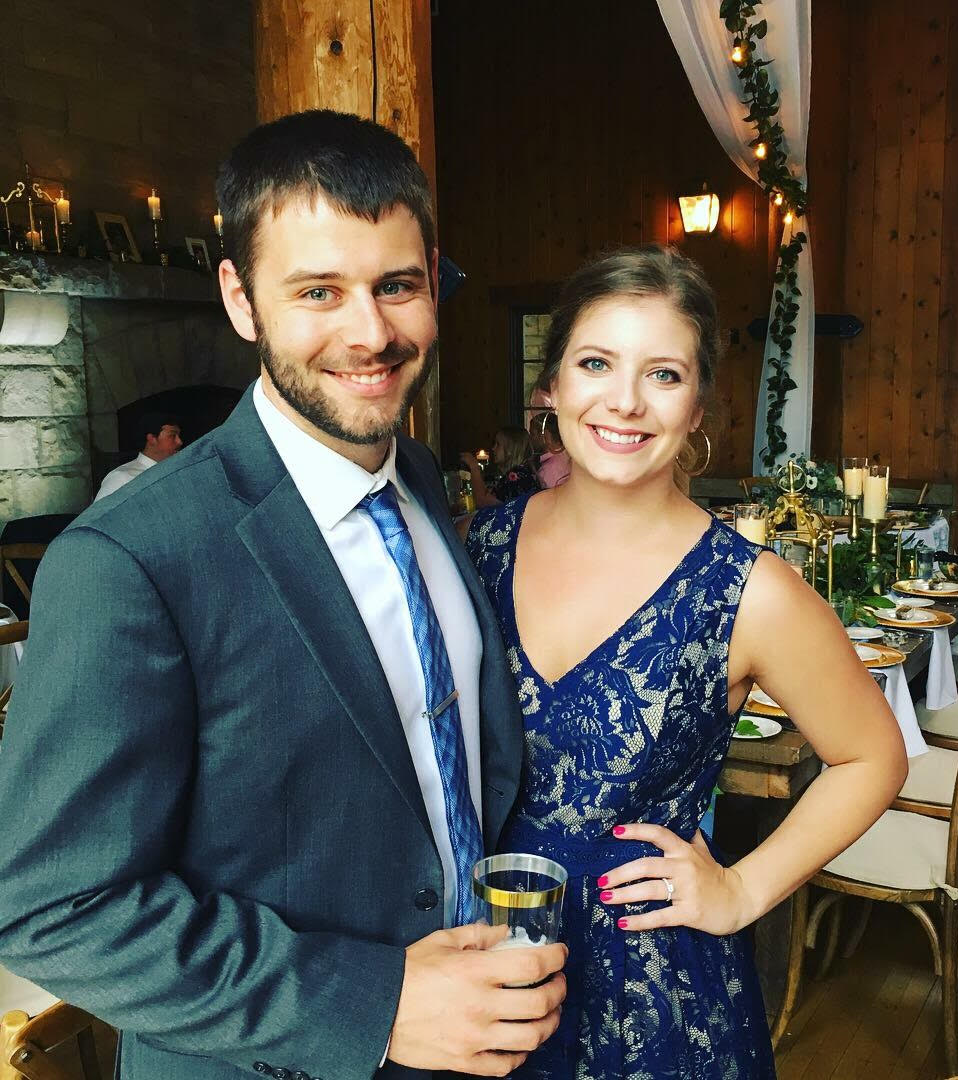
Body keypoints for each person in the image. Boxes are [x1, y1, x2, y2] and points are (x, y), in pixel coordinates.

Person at [0, 110, 566, 1080]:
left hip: (479, 1029)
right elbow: (52, 906)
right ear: (241, 298)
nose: (371, 333)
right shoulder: (127, 560)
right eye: (318, 292)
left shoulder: (418, 478)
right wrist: (378, 1006)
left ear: (434, 279)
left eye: (397, 286)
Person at [465, 245, 908, 1078]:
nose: (625, 401)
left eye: (663, 374)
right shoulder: (481, 544)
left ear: (698, 405)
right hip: (492, 967)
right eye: (596, 363)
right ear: (551, 384)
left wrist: (742, 889)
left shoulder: (749, 590)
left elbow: (873, 756)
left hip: (653, 991)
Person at [93, 412, 183, 501]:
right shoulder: (121, 478)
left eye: (179, 436)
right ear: (152, 438)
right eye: (172, 436)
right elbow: (100, 511)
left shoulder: (178, 473)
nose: (180, 442)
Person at [462, 426, 540, 507]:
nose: (493, 448)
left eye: (498, 444)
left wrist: (474, 467)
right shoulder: (524, 471)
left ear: (510, 450)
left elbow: (482, 502)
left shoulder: (516, 476)